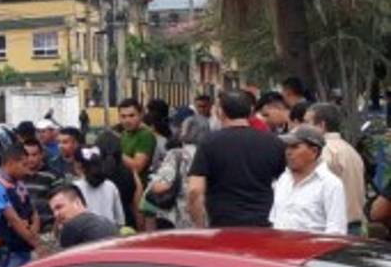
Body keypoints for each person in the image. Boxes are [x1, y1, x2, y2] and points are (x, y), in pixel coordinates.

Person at [187, 90, 286, 227]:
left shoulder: (209, 143)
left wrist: (200, 226)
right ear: (251, 110)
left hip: (223, 224)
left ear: (220, 112)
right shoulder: (273, 142)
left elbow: (195, 190)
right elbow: (287, 183)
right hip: (263, 222)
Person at [269, 126, 347, 234]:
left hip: (313, 249)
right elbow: (275, 220)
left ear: (314, 151)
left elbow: (336, 231)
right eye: (287, 147)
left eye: (295, 147)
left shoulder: (330, 184)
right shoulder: (283, 179)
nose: (288, 152)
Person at [305, 102, 367, 235]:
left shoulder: (324, 151)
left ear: (321, 125)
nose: (303, 128)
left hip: (336, 229)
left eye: (307, 123)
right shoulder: (350, 150)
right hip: (355, 225)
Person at [0, 143, 43, 267]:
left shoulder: (18, 183)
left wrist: (33, 232)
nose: (27, 170)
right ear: (10, 163)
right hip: (6, 253)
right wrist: (36, 244)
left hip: (22, 247)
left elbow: (33, 212)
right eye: (24, 165)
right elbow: (13, 219)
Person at [145, 114, 208, 230]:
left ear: (185, 132)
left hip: (179, 219)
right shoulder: (210, 154)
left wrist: (152, 184)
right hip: (206, 218)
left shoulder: (177, 155)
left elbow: (162, 186)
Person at [49, 183, 120, 249]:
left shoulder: (72, 227)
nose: (56, 214)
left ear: (77, 202)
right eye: (53, 211)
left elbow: (62, 260)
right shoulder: (108, 223)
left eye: (59, 207)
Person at [95, 129, 139, 229]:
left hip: (96, 227)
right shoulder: (130, 173)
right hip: (126, 226)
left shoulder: (90, 174)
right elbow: (137, 208)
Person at [74, 147, 127, 228]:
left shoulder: (75, 188)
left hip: (86, 236)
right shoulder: (111, 186)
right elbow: (120, 221)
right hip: (110, 234)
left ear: (80, 167)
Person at [117, 98, 156, 180]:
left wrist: (115, 152)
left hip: (136, 186)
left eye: (132, 115)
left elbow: (137, 167)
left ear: (140, 115)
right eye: (123, 116)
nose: (127, 120)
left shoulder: (145, 135)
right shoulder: (124, 134)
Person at [21, 140, 56, 230]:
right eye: (27, 155)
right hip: (23, 227)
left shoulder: (53, 176)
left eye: (34, 155)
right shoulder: (17, 176)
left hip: (47, 226)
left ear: (41, 155)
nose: (30, 159)